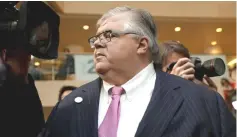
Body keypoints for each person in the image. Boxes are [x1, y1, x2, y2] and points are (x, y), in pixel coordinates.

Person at [39, 6, 235, 137]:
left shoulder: (202, 102)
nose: (97, 43)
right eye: (95, 38)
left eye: (108, 35)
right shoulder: (69, 106)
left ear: (142, 44)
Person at [0, 48, 45, 137]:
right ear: (4, 54)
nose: (28, 59)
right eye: (25, 56)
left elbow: (38, 127)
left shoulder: (28, 82)